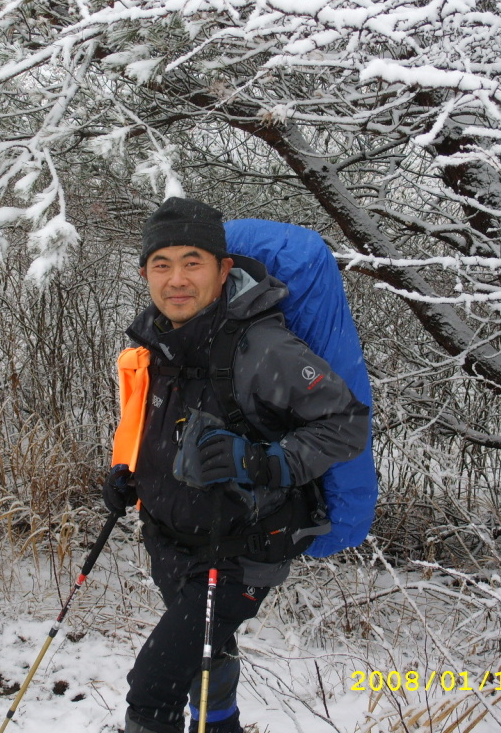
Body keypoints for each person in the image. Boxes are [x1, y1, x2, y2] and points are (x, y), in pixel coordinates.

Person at [104, 197, 370, 733]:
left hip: (238, 552)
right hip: (171, 542)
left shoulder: (263, 349)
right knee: (210, 662)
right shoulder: (159, 342)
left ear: (224, 270)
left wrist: (260, 460)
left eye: (192, 262)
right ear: (144, 274)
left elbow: (346, 424)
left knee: (152, 690)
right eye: (162, 264)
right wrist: (132, 477)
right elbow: (162, 428)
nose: (177, 279)